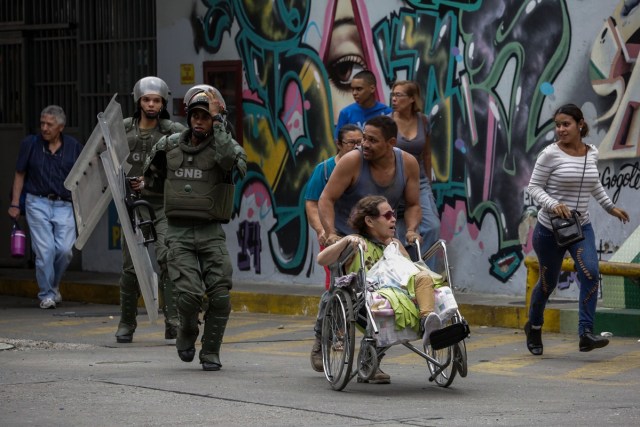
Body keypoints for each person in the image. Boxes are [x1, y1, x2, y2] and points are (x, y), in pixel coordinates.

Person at [143, 85, 247, 371]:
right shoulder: (169, 145)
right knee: (188, 295)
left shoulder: (226, 146)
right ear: (188, 117)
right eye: (195, 116)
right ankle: (187, 331)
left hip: (211, 232)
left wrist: (220, 125)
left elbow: (231, 163)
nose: (199, 121)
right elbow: (150, 181)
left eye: (206, 116)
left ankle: (211, 352)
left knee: (221, 295)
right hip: (177, 232)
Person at [313, 115, 421, 381]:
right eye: (363, 137)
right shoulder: (352, 161)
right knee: (342, 289)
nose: (364, 144)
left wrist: (410, 229)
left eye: (372, 140)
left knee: (389, 295)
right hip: (349, 238)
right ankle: (322, 335)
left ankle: (371, 358)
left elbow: (413, 204)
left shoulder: (407, 163)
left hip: (383, 238)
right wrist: (331, 234)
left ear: (391, 143)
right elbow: (325, 199)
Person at [526, 103, 629, 355]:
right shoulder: (549, 154)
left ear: (580, 124)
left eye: (566, 124)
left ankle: (585, 333)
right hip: (549, 230)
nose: (561, 129)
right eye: (558, 125)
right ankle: (534, 326)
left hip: (580, 227)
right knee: (548, 284)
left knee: (591, 273)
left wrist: (609, 207)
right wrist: (554, 204)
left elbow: (593, 185)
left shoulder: (591, 153)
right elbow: (533, 187)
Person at [316, 195, 442, 384]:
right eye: (388, 215)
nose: (393, 219)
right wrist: (344, 241)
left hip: (402, 292)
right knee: (387, 302)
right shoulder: (356, 243)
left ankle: (428, 322)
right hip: (366, 299)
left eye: (394, 215)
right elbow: (322, 260)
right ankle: (370, 360)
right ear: (369, 221)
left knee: (425, 279)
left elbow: (408, 270)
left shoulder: (395, 244)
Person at [115, 76, 186, 344]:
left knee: (169, 259)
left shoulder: (173, 131)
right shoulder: (121, 130)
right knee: (132, 267)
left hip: (163, 205)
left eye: (156, 100)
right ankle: (126, 323)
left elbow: (182, 167)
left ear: (163, 102)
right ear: (138, 101)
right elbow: (103, 159)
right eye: (147, 99)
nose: (152, 104)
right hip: (133, 207)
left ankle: (174, 320)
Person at [7, 105, 83, 309]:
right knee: (45, 250)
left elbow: (82, 175)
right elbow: (20, 173)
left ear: (61, 127)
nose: (44, 128)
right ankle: (46, 294)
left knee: (65, 250)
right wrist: (15, 203)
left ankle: (54, 285)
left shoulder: (73, 146)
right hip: (36, 201)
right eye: (42, 123)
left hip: (64, 204)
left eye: (49, 124)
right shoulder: (30, 144)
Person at [305, 124, 363, 287]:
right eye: (351, 143)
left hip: (358, 232)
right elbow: (311, 204)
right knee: (335, 277)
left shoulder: (365, 167)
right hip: (334, 232)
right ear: (338, 144)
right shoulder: (323, 170)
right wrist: (321, 229)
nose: (357, 147)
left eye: (361, 142)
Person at [389, 80, 441, 256]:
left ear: (412, 99)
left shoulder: (423, 121)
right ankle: (405, 272)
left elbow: (426, 154)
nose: (394, 99)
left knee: (432, 226)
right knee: (394, 229)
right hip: (393, 181)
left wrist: (428, 184)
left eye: (399, 95)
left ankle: (425, 273)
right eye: (393, 95)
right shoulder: (388, 123)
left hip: (419, 181)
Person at [333, 70, 392, 140]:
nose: (354, 93)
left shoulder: (387, 112)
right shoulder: (346, 113)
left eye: (359, 89)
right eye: (352, 89)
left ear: (372, 88)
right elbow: (338, 141)